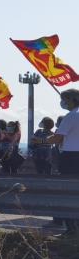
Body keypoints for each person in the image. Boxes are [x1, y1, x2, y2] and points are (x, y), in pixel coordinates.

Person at [47, 89, 79, 234]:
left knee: (67, 191)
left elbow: (57, 138)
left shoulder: (71, 116)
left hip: (71, 157)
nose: (62, 102)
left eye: (64, 99)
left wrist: (40, 141)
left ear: (72, 100)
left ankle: (71, 228)